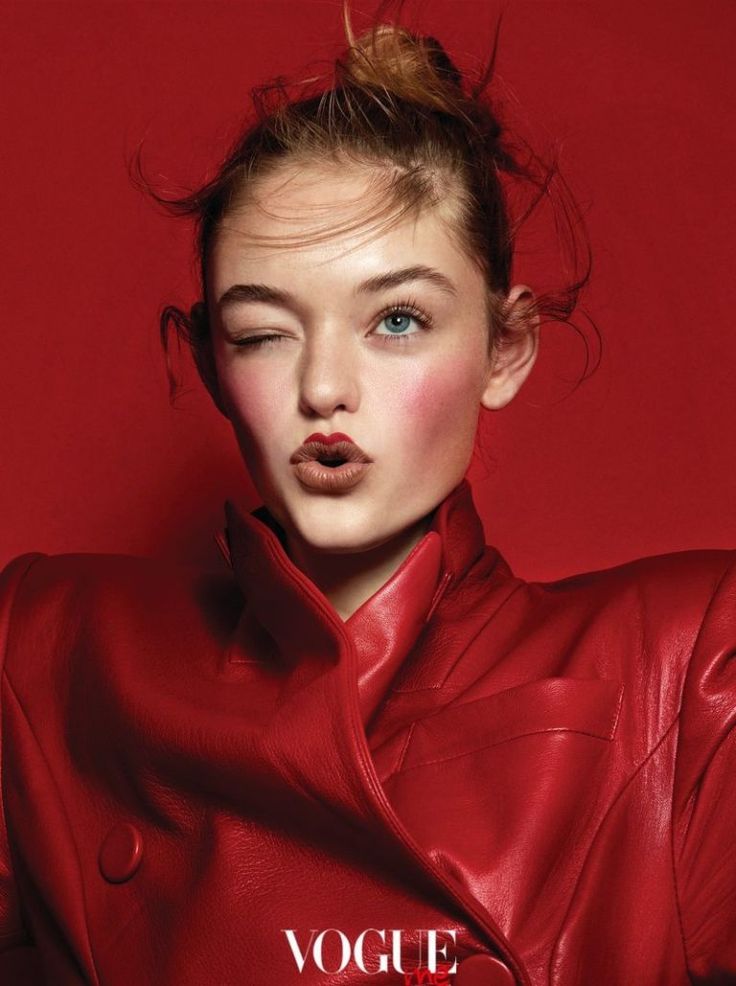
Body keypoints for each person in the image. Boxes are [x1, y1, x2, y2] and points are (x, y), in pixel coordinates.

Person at [1, 11, 734, 986]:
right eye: (263, 330)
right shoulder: (54, 654)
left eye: (396, 319)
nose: (324, 387)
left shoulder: (683, 675)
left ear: (503, 348)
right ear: (210, 363)